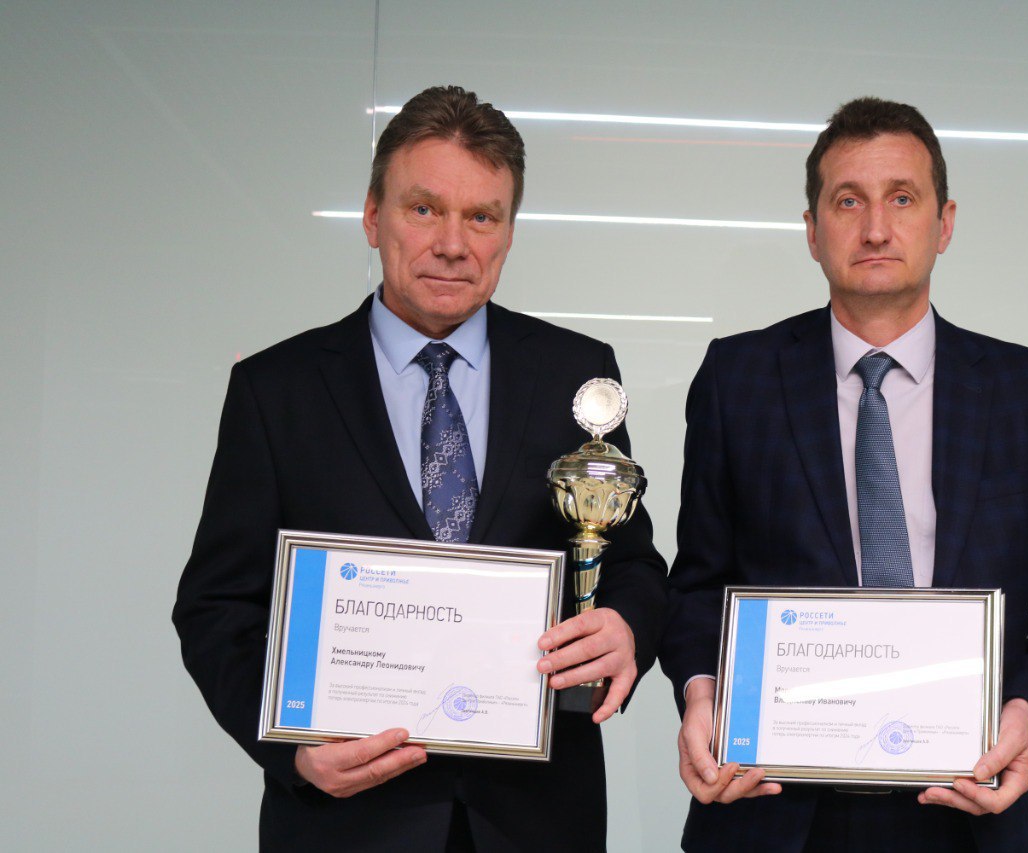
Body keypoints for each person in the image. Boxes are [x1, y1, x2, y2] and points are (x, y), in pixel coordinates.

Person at [173, 85, 667, 852]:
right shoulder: (278, 390)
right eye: (425, 208)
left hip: (536, 818)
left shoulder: (576, 374)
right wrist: (290, 751)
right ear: (374, 216)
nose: (452, 243)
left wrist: (627, 625)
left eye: (482, 217)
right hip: (347, 823)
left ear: (508, 232)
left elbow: (630, 562)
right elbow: (217, 608)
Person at [659, 96, 1028, 852]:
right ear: (812, 230)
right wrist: (701, 692)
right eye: (849, 201)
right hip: (773, 810)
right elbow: (696, 587)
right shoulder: (736, 378)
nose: (876, 228)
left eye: (902, 198)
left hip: (967, 807)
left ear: (944, 223)